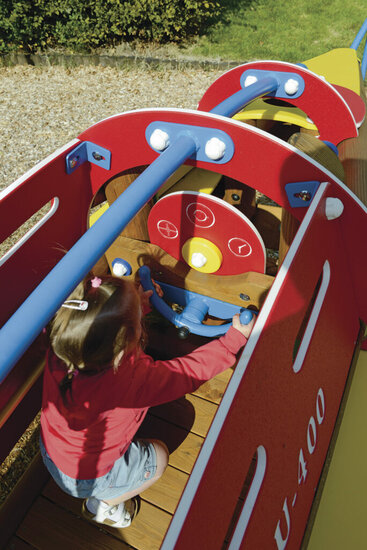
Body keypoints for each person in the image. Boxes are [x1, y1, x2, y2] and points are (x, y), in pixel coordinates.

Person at [40, 274, 255, 529]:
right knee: (159, 458)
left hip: (53, 453)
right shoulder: (131, 381)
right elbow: (186, 373)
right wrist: (233, 341)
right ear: (123, 345)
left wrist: (136, 307)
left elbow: (102, 325)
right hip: (91, 479)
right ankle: (103, 506)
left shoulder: (62, 346)